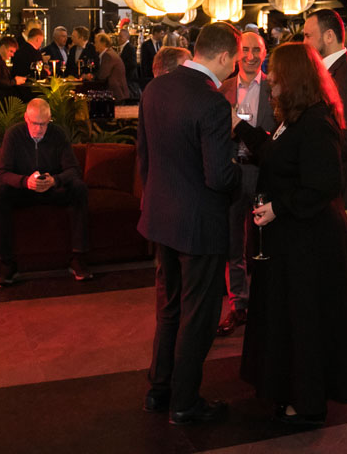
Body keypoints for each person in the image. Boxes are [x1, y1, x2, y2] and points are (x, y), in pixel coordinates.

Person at [233, 42, 347, 427]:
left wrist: (278, 207)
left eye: (277, 74)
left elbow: (324, 184)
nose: (270, 80)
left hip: (311, 240)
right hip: (294, 237)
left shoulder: (317, 121)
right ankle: (291, 390)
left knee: (305, 319)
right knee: (290, 315)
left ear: (295, 78)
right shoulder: (297, 117)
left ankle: (308, 401)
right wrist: (240, 127)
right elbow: (274, 154)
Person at [138, 22, 241, 426]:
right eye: (234, 60)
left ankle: (159, 390)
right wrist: (243, 169)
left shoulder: (155, 88)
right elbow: (219, 177)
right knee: (198, 315)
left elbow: (145, 156)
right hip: (199, 224)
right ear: (223, 56)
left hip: (161, 216)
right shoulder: (211, 102)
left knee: (169, 308)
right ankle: (184, 402)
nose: (234, 68)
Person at [0, 98, 92, 285]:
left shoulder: (57, 134)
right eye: (35, 123)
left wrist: (55, 180)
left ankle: (78, 258)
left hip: (52, 189)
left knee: (79, 188)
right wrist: (24, 181)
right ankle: (6, 263)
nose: (39, 129)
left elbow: (73, 169)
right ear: (26, 118)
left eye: (44, 124)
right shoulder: (14, 134)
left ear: (49, 120)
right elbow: (1, 173)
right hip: (24, 190)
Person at [217, 30, 274, 337]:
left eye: (257, 50)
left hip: (262, 174)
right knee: (232, 242)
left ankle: (266, 303)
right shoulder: (221, 89)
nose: (251, 56)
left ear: (264, 54)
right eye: (246, 50)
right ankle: (238, 304)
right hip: (231, 172)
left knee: (265, 242)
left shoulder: (275, 89)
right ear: (237, 53)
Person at [302, 9, 347, 242]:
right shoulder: (331, 71)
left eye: (308, 36)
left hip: (338, 184)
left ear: (329, 36)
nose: (304, 42)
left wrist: (313, 155)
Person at [91, 31, 130, 100]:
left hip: (116, 93)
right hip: (117, 92)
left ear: (103, 43)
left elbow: (102, 75)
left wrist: (91, 76)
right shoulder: (109, 53)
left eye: (96, 42)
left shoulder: (107, 55)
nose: (94, 45)